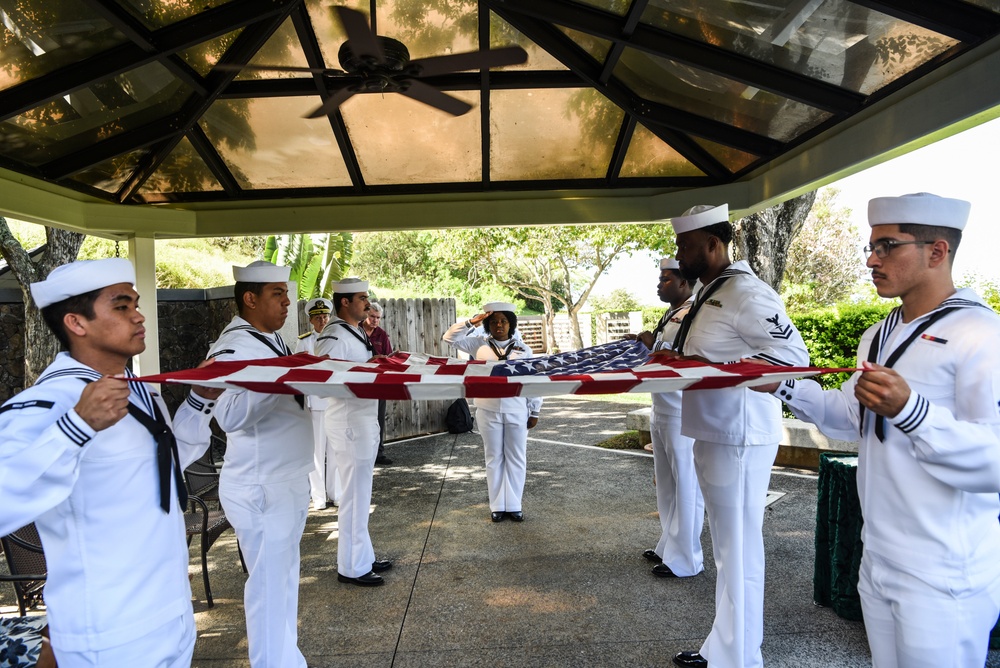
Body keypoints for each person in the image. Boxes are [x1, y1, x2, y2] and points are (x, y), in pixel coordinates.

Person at [760, 193, 1000, 668]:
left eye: (888, 245)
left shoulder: (981, 335)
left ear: (937, 252)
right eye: (871, 246)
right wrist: (781, 384)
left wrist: (912, 410)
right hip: (879, 557)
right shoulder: (880, 333)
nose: (872, 259)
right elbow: (850, 417)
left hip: (943, 570)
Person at [0, 258, 218, 667]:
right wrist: (74, 428)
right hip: (109, 634)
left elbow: (162, 466)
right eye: (121, 306)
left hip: (170, 615)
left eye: (135, 304)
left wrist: (200, 400)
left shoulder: (137, 391)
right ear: (76, 323)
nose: (138, 316)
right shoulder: (49, 402)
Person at [664, 205, 809, 668]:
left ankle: (741, 657)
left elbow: (792, 359)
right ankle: (724, 648)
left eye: (687, 246)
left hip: (741, 435)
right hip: (714, 431)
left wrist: (725, 372)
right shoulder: (712, 292)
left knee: (739, 551)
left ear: (714, 244)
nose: (680, 255)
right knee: (728, 549)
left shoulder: (746, 293)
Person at [207, 261, 313, 667]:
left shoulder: (270, 340)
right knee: (269, 587)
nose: (288, 301)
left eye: (286, 293)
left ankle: (286, 658)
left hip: (285, 476)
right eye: (277, 293)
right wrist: (285, 375)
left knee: (284, 582)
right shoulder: (234, 345)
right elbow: (229, 415)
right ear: (250, 298)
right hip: (262, 483)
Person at [626, 258, 704, 579]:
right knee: (667, 483)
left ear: (684, 284)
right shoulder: (672, 313)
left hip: (682, 408)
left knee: (686, 482)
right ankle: (668, 544)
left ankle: (687, 558)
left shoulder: (696, 314)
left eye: (666, 279)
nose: (659, 285)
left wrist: (653, 345)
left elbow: (685, 356)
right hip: (661, 405)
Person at [315, 278, 393, 587]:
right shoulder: (333, 334)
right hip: (348, 421)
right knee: (353, 495)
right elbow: (322, 375)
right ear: (344, 302)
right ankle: (351, 567)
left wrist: (375, 364)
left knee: (362, 494)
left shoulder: (354, 330)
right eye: (362, 298)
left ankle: (363, 555)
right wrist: (369, 368)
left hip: (361, 418)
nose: (367, 302)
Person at [443, 302, 541, 522]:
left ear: (511, 324)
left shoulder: (523, 349)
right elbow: (449, 338)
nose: (499, 325)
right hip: (487, 409)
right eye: (494, 321)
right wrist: (472, 322)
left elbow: (535, 381)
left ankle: (514, 505)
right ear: (487, 324)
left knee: (516, 457)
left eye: (504, 321)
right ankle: (497, 505)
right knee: (493, 457)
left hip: (517, 409)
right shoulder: (478, 344)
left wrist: (534, 410)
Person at [295, 297, 340, 510]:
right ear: (311, 321)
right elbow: (298, 371)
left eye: (325, 317)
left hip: (335, 400)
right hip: (315, 401)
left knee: (335, 450)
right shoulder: (304, 341)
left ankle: (335, 492)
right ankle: (318, 496)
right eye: (318, 318)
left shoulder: (336, 338)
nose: (323, 321)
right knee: (316, 451)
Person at [361, 301, 393, 465]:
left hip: (378, 382)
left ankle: (379, 453)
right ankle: (364, 451)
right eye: (372, 316)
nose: (374, 320)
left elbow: (389, 358)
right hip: (359, 381)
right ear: (366, 314)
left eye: (378, 318)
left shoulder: (382, 334)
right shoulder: (355, 331)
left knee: (378, 419)